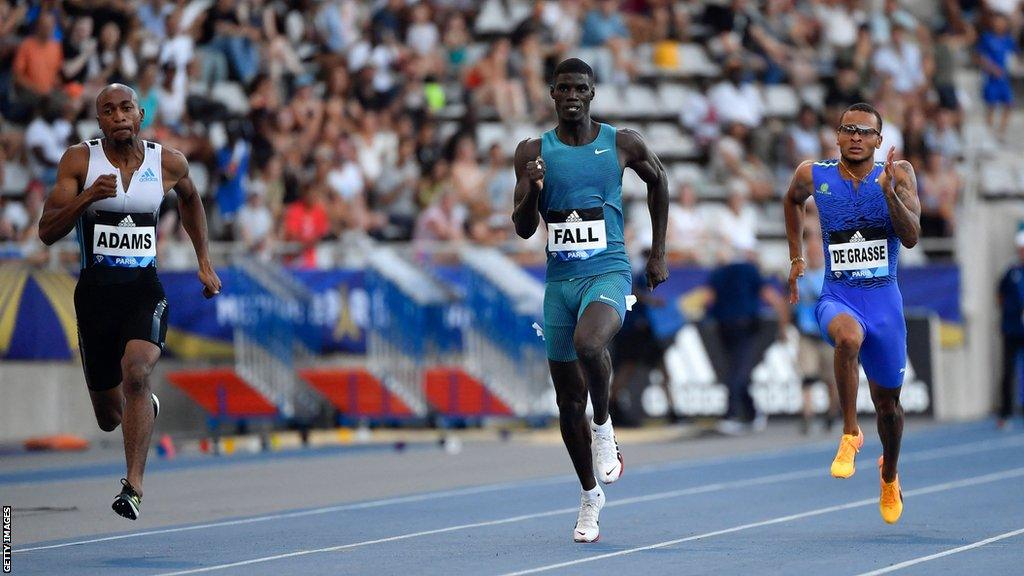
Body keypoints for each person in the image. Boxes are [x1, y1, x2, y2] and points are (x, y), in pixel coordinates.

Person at [38, 84, 221, 521]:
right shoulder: (80, 161)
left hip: (144, 290)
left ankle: (133, 487)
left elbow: (191, 199)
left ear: (139, 115)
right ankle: (143, 408)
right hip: (95, 297)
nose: (118, 116)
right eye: (108, 110)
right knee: (107, 416)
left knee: (137, 372)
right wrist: (87, 198)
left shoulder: (168, 162)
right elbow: (46, 231)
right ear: (99, 121)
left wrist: (204, 262)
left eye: (125, 108)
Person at [511, 58, 668, 543]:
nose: (572, 95)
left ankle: (604, 427)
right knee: (565, 402)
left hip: (608, 272)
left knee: (589, 343)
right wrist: (533, 190)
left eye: (581, 87)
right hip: (560, 283)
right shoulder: (533, 151)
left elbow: (659, 181)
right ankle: (588, 496)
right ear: (552, 94)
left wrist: (657, 253)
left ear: (593, 93)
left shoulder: (621, 143)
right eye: (564, 88)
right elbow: (521, 228)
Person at [784, 102, 921, 525]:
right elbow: (792, 200)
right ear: (837, 136)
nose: (856, 137)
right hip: (838, 295)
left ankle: (889, 475)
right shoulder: (814, 174)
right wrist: (796, 259)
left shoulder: (898, 174)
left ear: (879, 140)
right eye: (848, 130)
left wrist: (889, 195)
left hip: (883, 302)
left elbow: (912, 237)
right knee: (847, 339)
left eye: (865, 132)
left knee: (890, 409)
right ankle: (849, 433)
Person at [705, 235, 789, 436]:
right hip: (746, 326)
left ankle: (734, 414)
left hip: (728, 327)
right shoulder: (748, 270)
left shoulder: (720, 272)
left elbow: (708, 299)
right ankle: (749, 412)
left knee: (734, 371)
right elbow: (773, 298)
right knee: (739, 371)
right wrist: (783, 326)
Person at [794, 225, 839, 434]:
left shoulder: (830, 275)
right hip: (807, 333)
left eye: (816, 251)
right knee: (807, 376)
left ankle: (833, 413)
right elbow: (791, 301)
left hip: (827, 333)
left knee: (831, 378)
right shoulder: (799, 275)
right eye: (810, 251)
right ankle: (807, 415)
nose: (813, 254)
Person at [997, 229, 1024, 429]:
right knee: (1008, 370)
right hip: (1012, 328)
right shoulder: (1011, 272)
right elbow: (999, 295)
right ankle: (1005, 412)